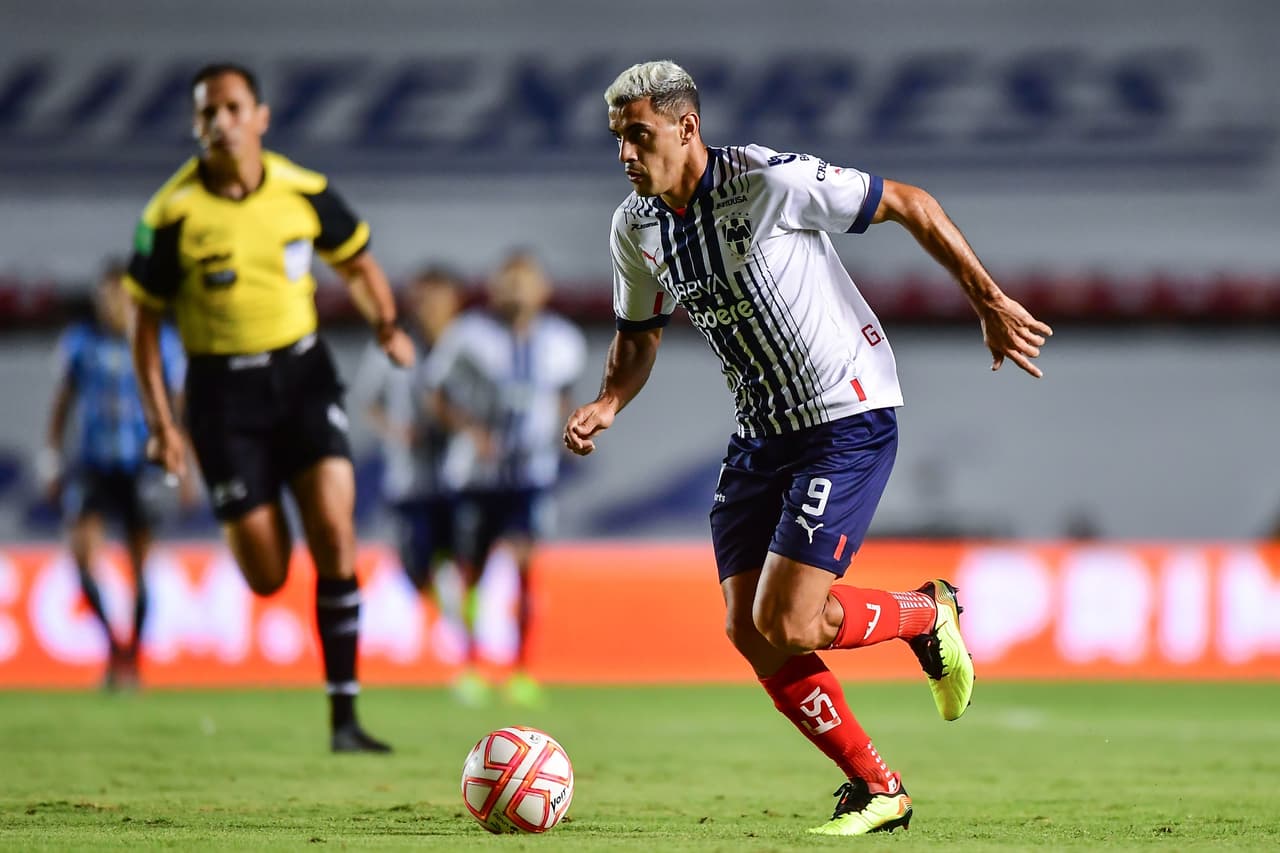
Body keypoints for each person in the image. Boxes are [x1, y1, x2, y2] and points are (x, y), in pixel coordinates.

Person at [564, 60, 1053, 835]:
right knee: (748, 629)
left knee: (791, 620)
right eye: (617, 140)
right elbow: (637, 336)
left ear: (686, 127)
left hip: (845, 417)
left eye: (637, 135)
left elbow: (909, 203)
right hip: (762, 430)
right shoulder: (636, 227)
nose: (624, 155)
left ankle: (927, 614)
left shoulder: (767, 181)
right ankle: (878, 786)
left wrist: (988, 299)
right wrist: (608, 400)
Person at [124, 62, 415, 753]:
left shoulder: (304, 191)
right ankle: (264, 510)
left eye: (230, 107)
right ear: (196, 126)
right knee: (266, 574)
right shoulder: (168, 215)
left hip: (304, 376)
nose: (219, 122)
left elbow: (359, 264)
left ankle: (344, 718)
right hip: (223, 397)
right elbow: (143, 324)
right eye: (206, 113)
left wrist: (386, 324)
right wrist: (164, 425)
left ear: (261, 116)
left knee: (336, 535)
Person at [425, 251, 586, 706]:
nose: (517, 289)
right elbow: (436, 395)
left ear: (543, 289)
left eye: (526, 280)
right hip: (476, 475)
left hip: (530, 473)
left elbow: (562, 395)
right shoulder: (468, 335)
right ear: (493, 287)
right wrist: (471, 432)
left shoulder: (562, 340)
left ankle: (521, 669)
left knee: (523, 569)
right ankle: (471, 665)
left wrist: (565, 434)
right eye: (508, 280)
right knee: (471, 570)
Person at [40, 260, 189, 690]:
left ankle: (132, 659)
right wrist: (51, 456)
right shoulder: (79, 343)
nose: (114, 304)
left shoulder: (160, 340)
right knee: (82, 555)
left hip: (142, 464)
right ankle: (113, 647)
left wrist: (184, 463)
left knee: (141, 565)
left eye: (121, 296)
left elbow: (179, 408)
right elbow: (61, 404)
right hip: (92, 464)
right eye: (106, 296)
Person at [350, 266, 462, 593]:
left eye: (436, 301)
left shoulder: (469, 344)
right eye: (423, 301)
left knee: (462, 558)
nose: (429, 310)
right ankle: (439, 616)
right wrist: (397, 431)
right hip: (410, 478)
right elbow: (367, 399)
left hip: (462, 475)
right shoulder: (392, 345)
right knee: (418, 562)